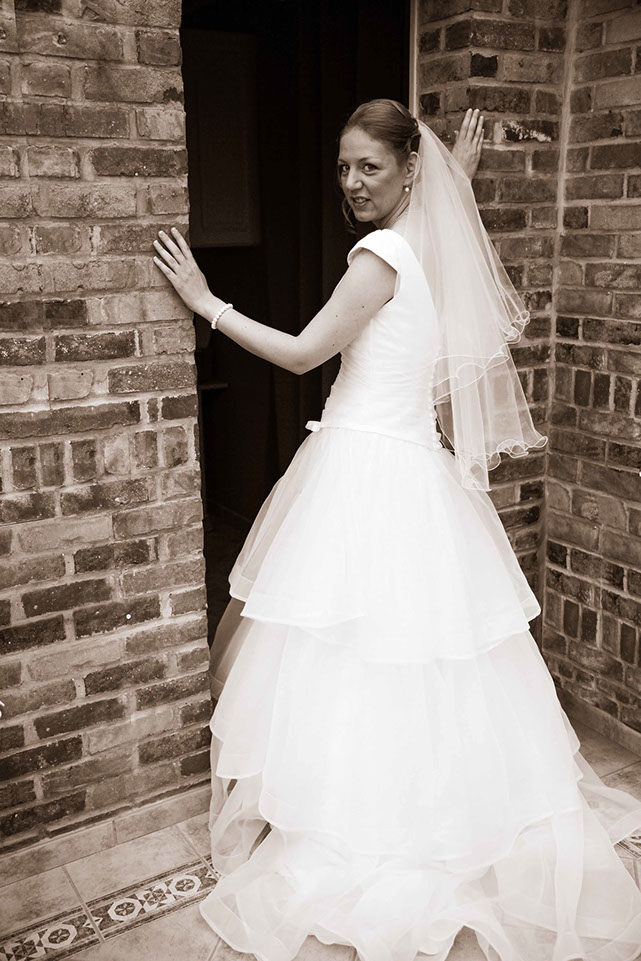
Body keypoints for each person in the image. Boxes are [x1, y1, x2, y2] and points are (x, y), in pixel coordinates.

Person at [153, 101, 641, 961]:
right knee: (410, 654)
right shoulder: (428, 246)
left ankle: (365, 816)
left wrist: (206, 302)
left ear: (407, 173)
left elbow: (306, 353)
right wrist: (458, 174)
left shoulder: (380, 256)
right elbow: (433, 237)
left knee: (353, 647)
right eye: (342, 167)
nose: (351, 183)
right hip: (410, 466)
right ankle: (423, 799)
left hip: (366, 466)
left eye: (368, 167)